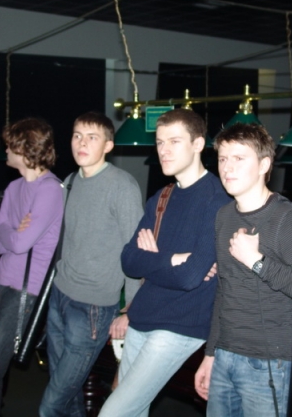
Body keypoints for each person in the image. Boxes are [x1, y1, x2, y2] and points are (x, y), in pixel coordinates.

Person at [99, 108, 232, 417]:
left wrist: (153, 259)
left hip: (179, 327)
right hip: (142, 317)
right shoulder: (161, 197)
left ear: (198, 144)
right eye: (160, 142)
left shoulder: (218, 201)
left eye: (174, 141)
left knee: (113, 413)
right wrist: (171, 258)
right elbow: (129, 261)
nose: (164, 150)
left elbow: (190, 277)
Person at [194, 122, 292, 417]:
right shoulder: (223, 216)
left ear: (264, 165)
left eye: (239, 158)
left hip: (269, 365)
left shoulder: (287, 218)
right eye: (223, 158)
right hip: (225, 356)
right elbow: (224, 290)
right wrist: (211, 353)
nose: (227, 167)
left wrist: (257, 261)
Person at [39, 111, 143, 417]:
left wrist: (132, 310)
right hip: (60, 297)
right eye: (77, 136)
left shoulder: (122, 186)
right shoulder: (70, 182)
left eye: (92, 137)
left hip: (93, 309)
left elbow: (136, 252)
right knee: (69, 398)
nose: (81, 143)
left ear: (108, 146)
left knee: (51, 404)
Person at [0, 118, 64, 416]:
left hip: (25, 292)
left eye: (10, 145)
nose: (5, 150)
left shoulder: (50, 189)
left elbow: (18, 243)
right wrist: (12, 230)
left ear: (25, 148)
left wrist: (9, 231)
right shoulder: (13, 187)